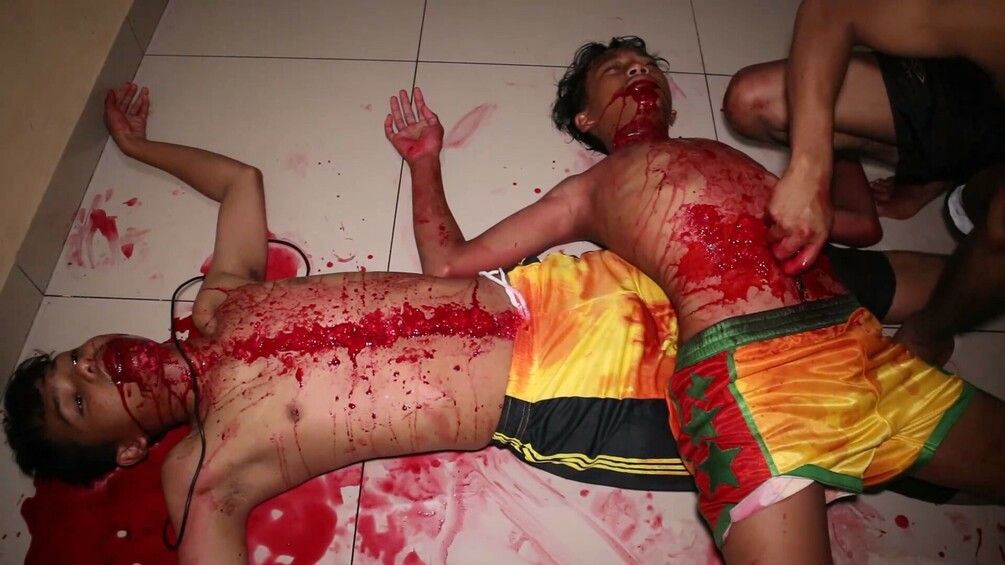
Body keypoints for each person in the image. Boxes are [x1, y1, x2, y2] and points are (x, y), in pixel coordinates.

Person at [2, 83, 708, 564]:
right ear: (130, 449)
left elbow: (240, 182)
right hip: (562, 394)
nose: (91, 368)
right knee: (757, 401)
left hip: (554, 290)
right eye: (78, 400)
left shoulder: (217, 302)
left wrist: (136, 149)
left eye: (75, 359)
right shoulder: (203, 471)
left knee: (746, 282)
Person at [383, 36, 1005, 565]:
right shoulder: (590, 189)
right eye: (615, 69)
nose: (638, 70)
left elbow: (859, 226)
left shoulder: (731, 159)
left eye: (646, 65)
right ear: (587, 120)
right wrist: (425, 161)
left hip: (860, 346)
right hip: (752, 380)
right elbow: (449, 265)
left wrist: (831, 140)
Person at [722, 0, 1005, 363]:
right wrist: (811, 168)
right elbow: (830, 9)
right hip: (976, 100)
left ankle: (933, 328)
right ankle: (935, 175)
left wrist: (929, 332)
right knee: (752, 102)